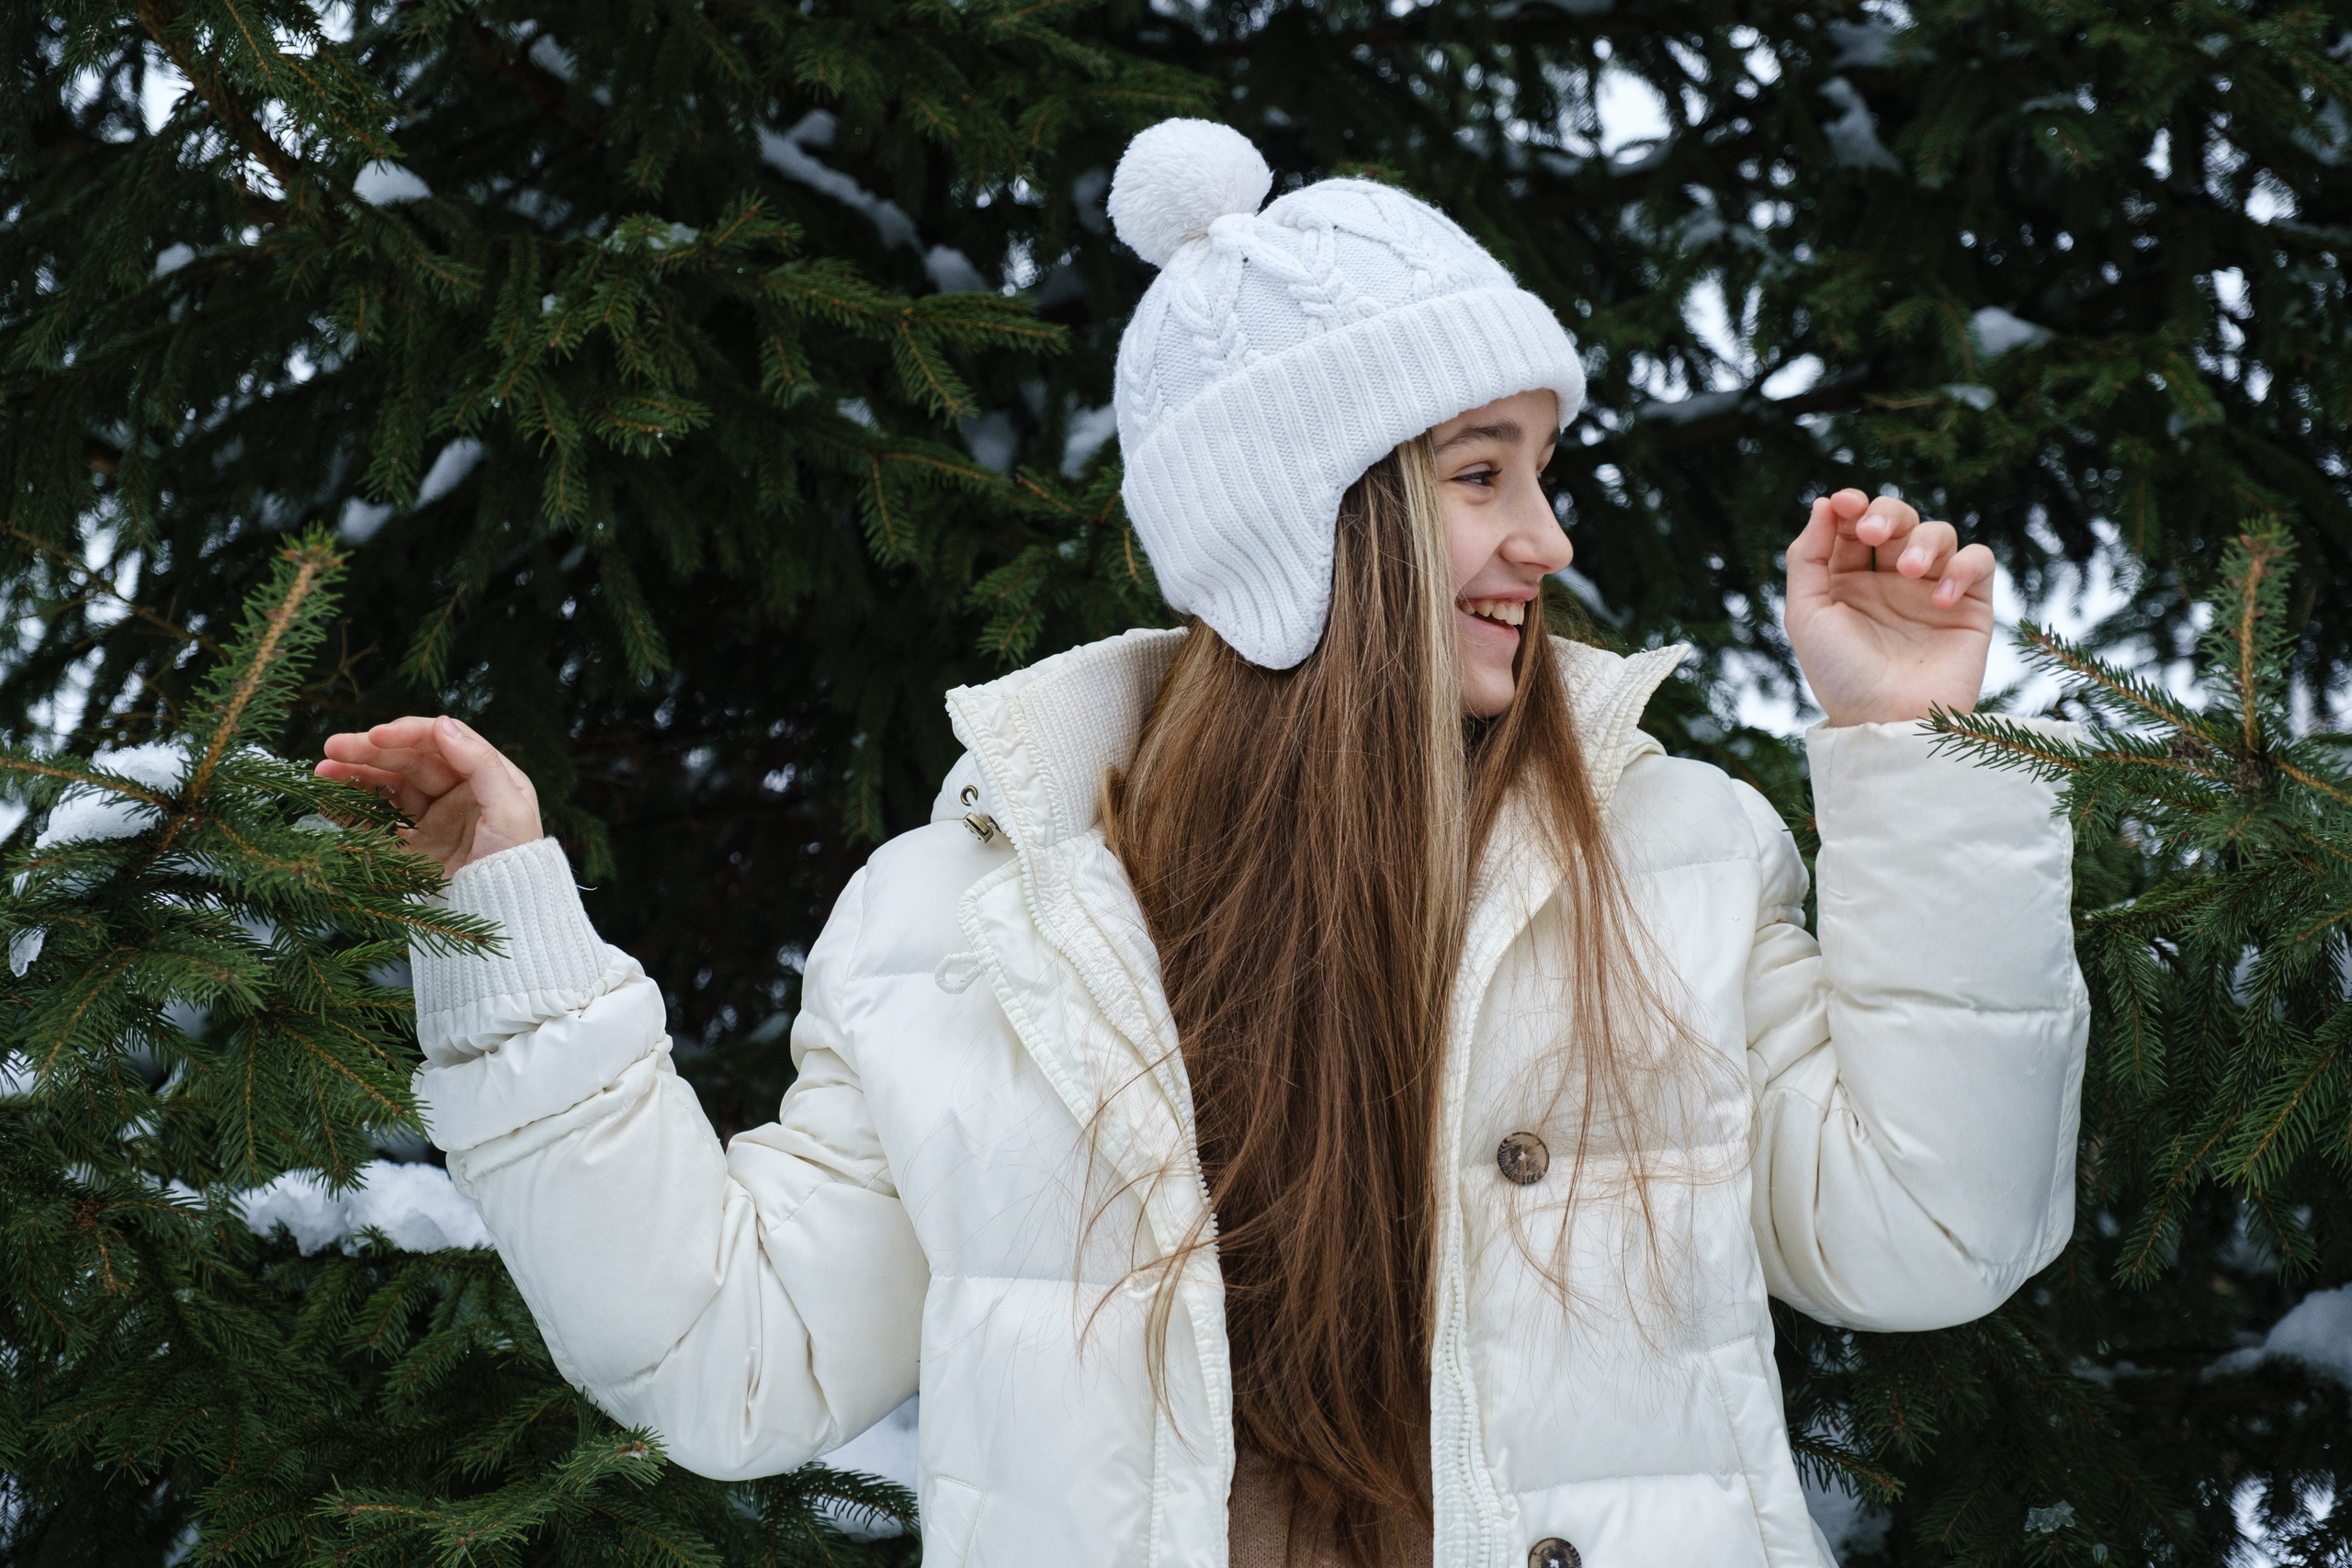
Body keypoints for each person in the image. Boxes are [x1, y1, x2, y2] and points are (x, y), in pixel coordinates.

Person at [319, 120, 2087, 1568]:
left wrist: (1915, 744)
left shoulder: (1667, 856)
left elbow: (1934, 1228)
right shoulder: (965, 929)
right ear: (1301, 527)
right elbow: (734, 1360)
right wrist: (505, 945)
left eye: (1544, 471)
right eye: (1480, 474)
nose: (1548, 540)